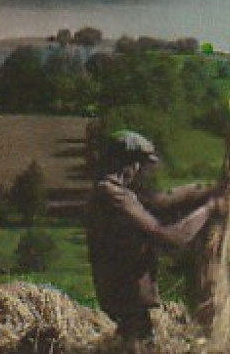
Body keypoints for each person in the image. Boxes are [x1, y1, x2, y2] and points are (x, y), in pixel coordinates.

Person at [86, 130, 220, 342]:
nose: (141, 172)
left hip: (121, 303)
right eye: (140, 165)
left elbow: (158, 202)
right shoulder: (115, 197)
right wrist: (210, 209)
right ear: (129, 164)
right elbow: (170, 238)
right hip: (128, 303)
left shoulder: (107, 193)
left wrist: (207, 189)